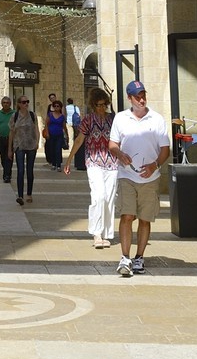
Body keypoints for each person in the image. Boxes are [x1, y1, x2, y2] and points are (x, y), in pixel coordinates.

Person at [108, 81, 170, 276]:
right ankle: (125, 258)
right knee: (127, 216)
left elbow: (165, 149)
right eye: (137, 97)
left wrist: (154, 165)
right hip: (126, 175)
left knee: (144, 219)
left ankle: (139, 257)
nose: (141, 100)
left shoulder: (157, 119)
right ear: (129, 98)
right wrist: (120, 154)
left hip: (150, 179)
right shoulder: (120, 118)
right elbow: (112, 144)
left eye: (143, 95)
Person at [68, 87, 117, 248]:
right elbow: (79, 140)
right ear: (93, 105)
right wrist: (69, 160)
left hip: (112, 163)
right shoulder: (88, 120)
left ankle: (106, 233)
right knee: (99, 196)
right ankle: (96, 233)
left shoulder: (113, 119)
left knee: (110, 198)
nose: (101, 108)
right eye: (98, 105)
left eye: (103, 104)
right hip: (94, 162)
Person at [8, 96, 40, 205]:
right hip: (19, 146)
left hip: (31, 145)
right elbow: (11, 132)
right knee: (20, 170)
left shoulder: (32, 115)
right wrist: (10, 149)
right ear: (19, 104)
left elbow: (36, 129)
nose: (26, 104)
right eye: (23, 102)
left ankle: (29, 194)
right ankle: (20, 195)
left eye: (27, 101)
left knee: (30, 170)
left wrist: (37, 142)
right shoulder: (15, 116)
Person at [0, 96, 15, 183]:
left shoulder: (14, 113)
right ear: (2, 104)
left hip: (11, 139)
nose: (6, 104)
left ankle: (7, 175)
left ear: (10, 104)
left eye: (7, 103)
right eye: (4, 103)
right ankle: (7, 172)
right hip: (1, 138)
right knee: (3, 157)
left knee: (9, 157)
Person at [45, 99, 68, 171]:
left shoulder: (62, 116)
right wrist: (47, 132)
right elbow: (46, 124)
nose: (56, 107)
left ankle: (58, 165)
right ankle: (53, 164)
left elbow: (64, 126)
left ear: (60, 107)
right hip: (51, 134)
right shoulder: (50, 114)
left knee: (58, 150)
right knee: (52, 149)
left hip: (59, 135)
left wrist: (67, 135)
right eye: (55, 106)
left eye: (58, 106)